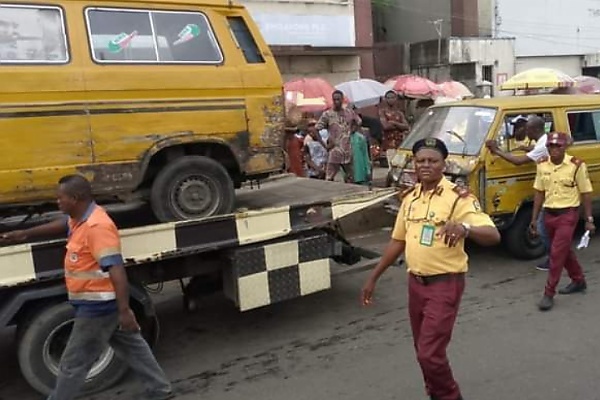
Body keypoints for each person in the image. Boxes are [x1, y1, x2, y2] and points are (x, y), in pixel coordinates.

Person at [0, 175, 173, 400]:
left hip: (97, 307)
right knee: (133, 347)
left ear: (75, 198)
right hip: (98, 304)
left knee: (72, 363)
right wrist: (25, 233)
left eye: (61, 198)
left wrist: (124, 311)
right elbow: (63, 224)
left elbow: (116, 270)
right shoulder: (80, 217)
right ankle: (161, 389)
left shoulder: (97, 227)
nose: (57, 202)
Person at [361, 138, 500, 400]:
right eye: (421, 160)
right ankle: (435, 394)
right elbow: (397, 242)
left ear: (443, 164)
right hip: (415, 284)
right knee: (422, 351)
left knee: (429, 353)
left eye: (432, 161)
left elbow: (493, 235)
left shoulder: (458, 198)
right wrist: (373, 277)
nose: (426, 165)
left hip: (445, 284)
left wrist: (464, 228)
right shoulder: (410, 199)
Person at [530, 132, 595, 311]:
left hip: (568, 215)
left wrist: (589, 219)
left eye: (558, 146)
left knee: (556, 255)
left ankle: (548, 293)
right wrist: (534, 218)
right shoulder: (542, 165)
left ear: (565, 147)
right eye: (551, 146)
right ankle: (578, 280)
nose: (554, 149)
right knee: (562, 251)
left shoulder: (576, 166)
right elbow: (539, 192)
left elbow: (586, 192)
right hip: (549, 214)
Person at [485, 115, 551, 271]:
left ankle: (554, 258)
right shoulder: (543, 141)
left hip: (549, 187)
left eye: (527, 128)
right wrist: (527, 149)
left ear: (534, 130)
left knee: (542, 227)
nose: (524, 131)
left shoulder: (543, 145)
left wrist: (497, 151)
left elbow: (518, 162)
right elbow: (536, 151)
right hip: (545, 184)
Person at [316, 90, 361, 182]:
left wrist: (352, 130)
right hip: (334, 151)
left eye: (338, 99)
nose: (336, 101)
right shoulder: (327, 114)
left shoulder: (349, 112)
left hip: (347, 151)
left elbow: (359, 122)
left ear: (342, 100)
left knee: (350, 178)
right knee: (329, 178)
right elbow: (316, 129)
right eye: (334, 99)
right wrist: (324, 145)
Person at [349, 120, 372, 185]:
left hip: (361, 171)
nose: (351, 128)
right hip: (349, 171)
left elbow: (365, 155)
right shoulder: (344, 138)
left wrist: (368, 170)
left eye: (353, 126)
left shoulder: (360, 138)